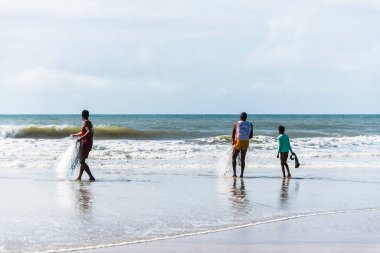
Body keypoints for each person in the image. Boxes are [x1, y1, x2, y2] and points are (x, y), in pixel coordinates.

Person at [71, 110, 95, 181]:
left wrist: (81, 138)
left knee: (81, 161)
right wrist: (75, 135)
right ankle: (79, 177)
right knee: (82, 160)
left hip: (86, 143)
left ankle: (91, 177)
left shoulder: (86, 122)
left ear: (82, 116)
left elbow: (89, 132)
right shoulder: (89, 122)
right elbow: (83, 132)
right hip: (89, 142)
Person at [231, 112, 253, 178]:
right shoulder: (250, 124)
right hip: (246, 141)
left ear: (240, 117)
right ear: (246, 117)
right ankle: (241, 175)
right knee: (243, 159)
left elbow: (233, 134)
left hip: (239, 141)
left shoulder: (236, 123)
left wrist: (233, 142)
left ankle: (234, 174)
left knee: (233, 157)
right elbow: (251, 136)